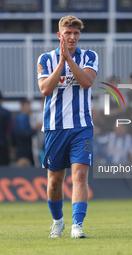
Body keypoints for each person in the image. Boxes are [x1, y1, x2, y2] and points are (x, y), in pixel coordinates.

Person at [37, 16, 98, 238]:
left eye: (75, 33)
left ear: (79, 35)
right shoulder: (45, 59)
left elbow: (87, 82)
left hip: (82, 126)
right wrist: (62, 63)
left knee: (80, 175)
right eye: (67, 33)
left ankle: (77, 225)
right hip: (55, 127)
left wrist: (70, 61)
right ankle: (58, 221)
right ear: (59, 35)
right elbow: (45, 89)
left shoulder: (89, 56)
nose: (72, 37)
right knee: (54, 181)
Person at [12, 98, 41, 166]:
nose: (29, 108)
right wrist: (35, 129)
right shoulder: (21, 118)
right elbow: (23, 134)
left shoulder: (27, 117)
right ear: (23, 106)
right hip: (23, 149)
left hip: (27, 148)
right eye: (28, 106)